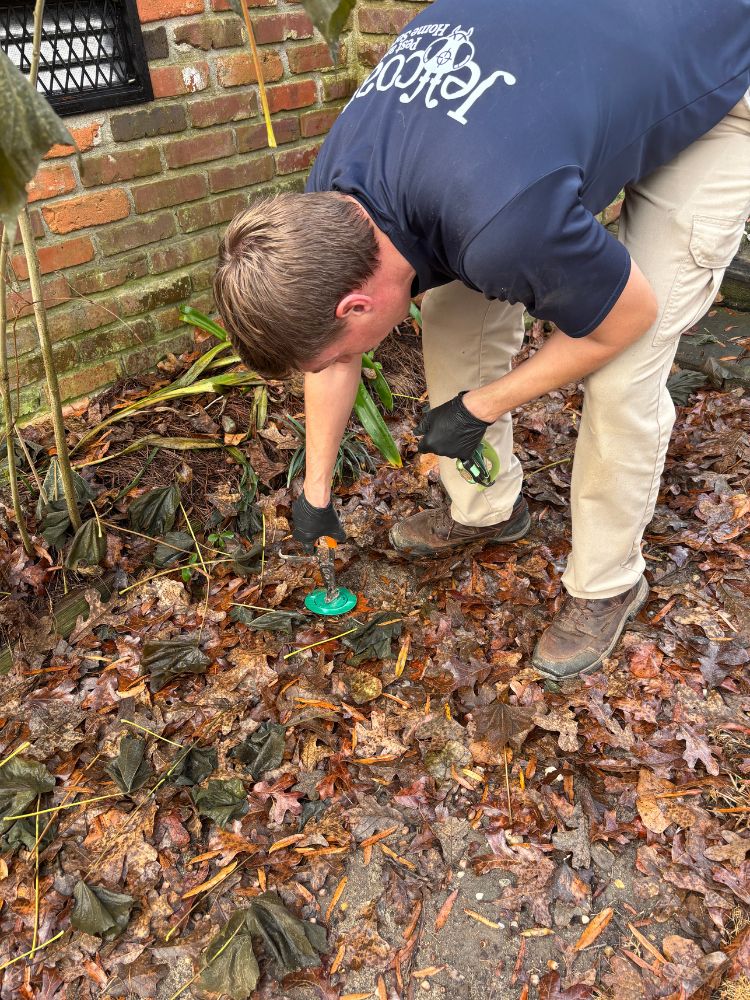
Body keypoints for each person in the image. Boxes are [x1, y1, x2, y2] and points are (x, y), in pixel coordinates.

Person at [213, 0, 750, 681]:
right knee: (450, 311)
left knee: (622, 372)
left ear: (356, 303)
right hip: (567, 89)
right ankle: (487, 510)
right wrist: (314, 493)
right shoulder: (328, 204)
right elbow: (333, 352)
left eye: (342, 350)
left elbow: (627, 316)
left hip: (713, 80)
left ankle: (608, 582)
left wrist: (481, 406)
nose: (343, 361)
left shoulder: (500, 220)